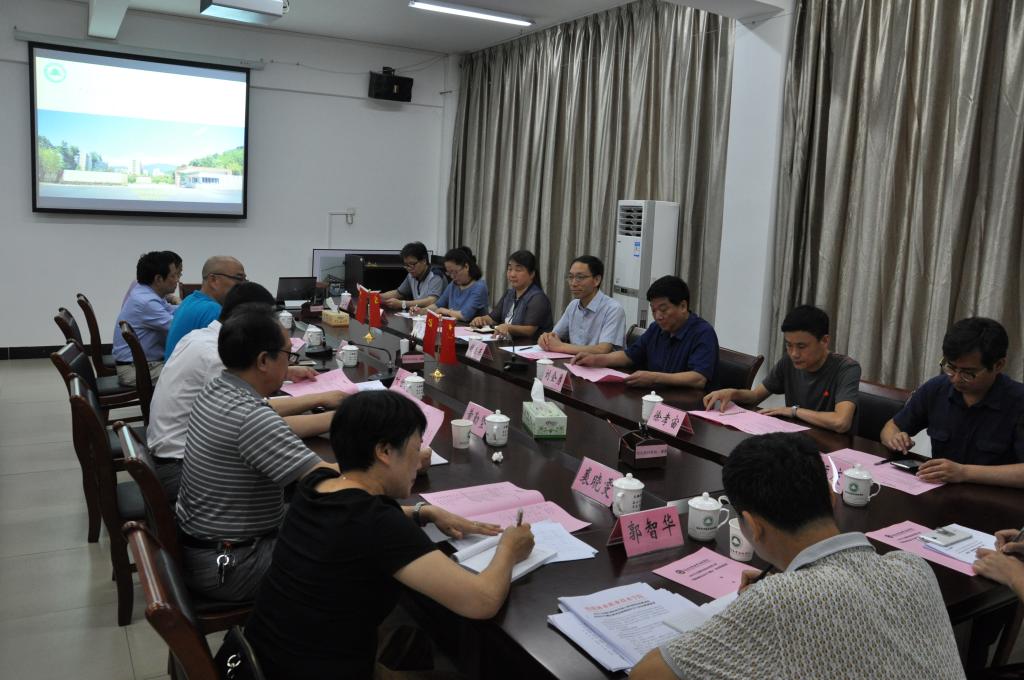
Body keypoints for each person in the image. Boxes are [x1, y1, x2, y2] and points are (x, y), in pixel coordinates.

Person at [245, 390, 535, 679]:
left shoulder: (317, 485)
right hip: (312, 670)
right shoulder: (378, 523)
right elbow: (482, 601)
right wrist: (510, 547)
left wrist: (423, 512)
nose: (419, 461)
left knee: (414, 640)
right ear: (384, 452)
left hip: (263, 658)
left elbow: (352, 518)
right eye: (415, 448)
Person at [631, 433, 965, 680]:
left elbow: (646, 674)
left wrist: (763, 604)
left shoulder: (779, 600)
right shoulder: (914, 567)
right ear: (832, 499)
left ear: (751, 526)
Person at [175, 307, 339, 602]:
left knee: (333, 523)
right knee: (356, 553)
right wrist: (400, 465)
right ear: (263, 360)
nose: (290, 362)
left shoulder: (216, 388)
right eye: (288, 355)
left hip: (205, 546)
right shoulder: (250, 418)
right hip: (235, 563)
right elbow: (327, 481)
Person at [147, 283, 344, 502]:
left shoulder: (211, 373)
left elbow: (258, 414)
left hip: (193, 482)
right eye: (288, 354)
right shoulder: (248, 412)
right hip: (181, 471)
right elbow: (328, 474)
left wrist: (285, 371)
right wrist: (344, 417)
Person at [881, 317, 1024, 487]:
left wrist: (964, 472)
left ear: (998, 365)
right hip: (938, 491)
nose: (955, 378)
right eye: (951, 367)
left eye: (968, 373)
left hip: (996, 497)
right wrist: (895, 438)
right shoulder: (937, 389)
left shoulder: (1018, 401)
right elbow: (890, 427)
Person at [703, 305, 861, 433]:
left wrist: (793, 411)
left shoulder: (846, 368)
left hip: (832, 448)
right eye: (789, 345)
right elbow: (755, 396)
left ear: (825, 341)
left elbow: (841, 422)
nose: (794, 354)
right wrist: (732, 393)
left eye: (801, 346)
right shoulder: (788, 362)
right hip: (796, 439)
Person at [572, 275, 717, 389]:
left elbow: (698, 378)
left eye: (663, 309)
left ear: (683, 306)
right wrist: (595, 359)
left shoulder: (703, 333)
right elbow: (628, 356)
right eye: (653, 310)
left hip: (685, 406)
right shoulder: (656, 328)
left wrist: (654, 378)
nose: (658, 316)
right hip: (654, 397)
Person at [112, 250, 182, 386]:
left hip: (141, 364)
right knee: (193, 373)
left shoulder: (146, 292)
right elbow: (177, 328)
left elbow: (171, 310)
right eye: (173, 276)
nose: (177, 280)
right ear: (158, 279)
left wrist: (192, 307)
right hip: (135, 370)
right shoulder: (146, 302)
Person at [537, 255, 625, 355]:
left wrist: (561, 346)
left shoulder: (613, 309)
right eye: (571, 277)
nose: (573, 283)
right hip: (575, 362)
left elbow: (602, 350)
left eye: (580, 277)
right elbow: (554, 336)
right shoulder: (573, 305)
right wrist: (545, 339)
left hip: (602, 364)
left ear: (596, 280)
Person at [164, 256, 247, 356]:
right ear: (213, 280)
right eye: (239, 279)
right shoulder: (213, 310)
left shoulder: (189, 300)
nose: (244, 285)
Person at [470, 250, 553, 341]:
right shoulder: (509, 293)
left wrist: (508, 327)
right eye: (509, 269)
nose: (512, 274)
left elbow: (529, 330)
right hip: (506, 343)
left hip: (527, 346)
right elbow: (493, 318)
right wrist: (481, 319)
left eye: (518, 270)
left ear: (532, 274)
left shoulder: (538, 298)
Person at [411, 246, 489, 321]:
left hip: (472, 329)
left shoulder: (479, 287)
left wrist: (444, 311)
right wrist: (422, 311)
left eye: (455, 272)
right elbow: (437, 305)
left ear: (466, 267)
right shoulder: (453, 285)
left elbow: (465, 315)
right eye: (449, 273)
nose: (452, 276)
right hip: (454, 327)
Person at [381, 242, 445, 311]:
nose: (409, 268)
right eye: (406, 265)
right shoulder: (411, 275)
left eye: (412, 264)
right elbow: (398, 293)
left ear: (424, 261)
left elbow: (431, 300)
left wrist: (403, 304)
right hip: (417, 314)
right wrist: (378, 296)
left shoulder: (435, 276)